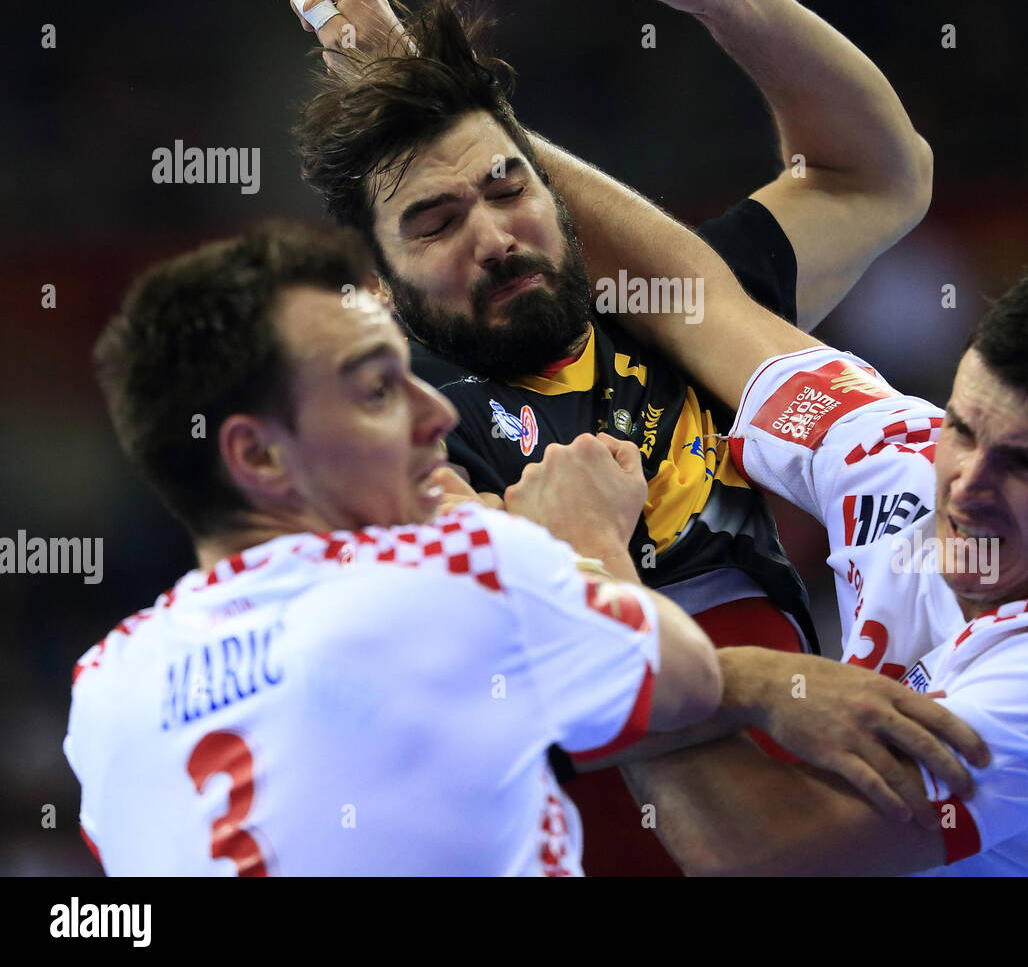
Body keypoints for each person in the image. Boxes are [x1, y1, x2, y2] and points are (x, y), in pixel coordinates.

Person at [272, 0, 934, 873]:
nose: (496, 237)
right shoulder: (403, 427)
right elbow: (543, 655)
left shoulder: (680, 313)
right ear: (382, 281)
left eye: (510, 190)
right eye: (437, 222)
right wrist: (773, 686)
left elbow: (879, 176)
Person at [552, 172, 1028, 876]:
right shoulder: (900, 454)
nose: (969, 488)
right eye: (965, 429)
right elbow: (692, 299)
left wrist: (599, 575)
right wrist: (487, 133)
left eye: (1027, 466)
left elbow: (758, 855)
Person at [65, 220, 728, 875]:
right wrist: (584, 537)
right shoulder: (458, 564)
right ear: (260, 455)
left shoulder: (102, 688)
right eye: (378, 390)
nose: (435, 412)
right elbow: (688, 679)